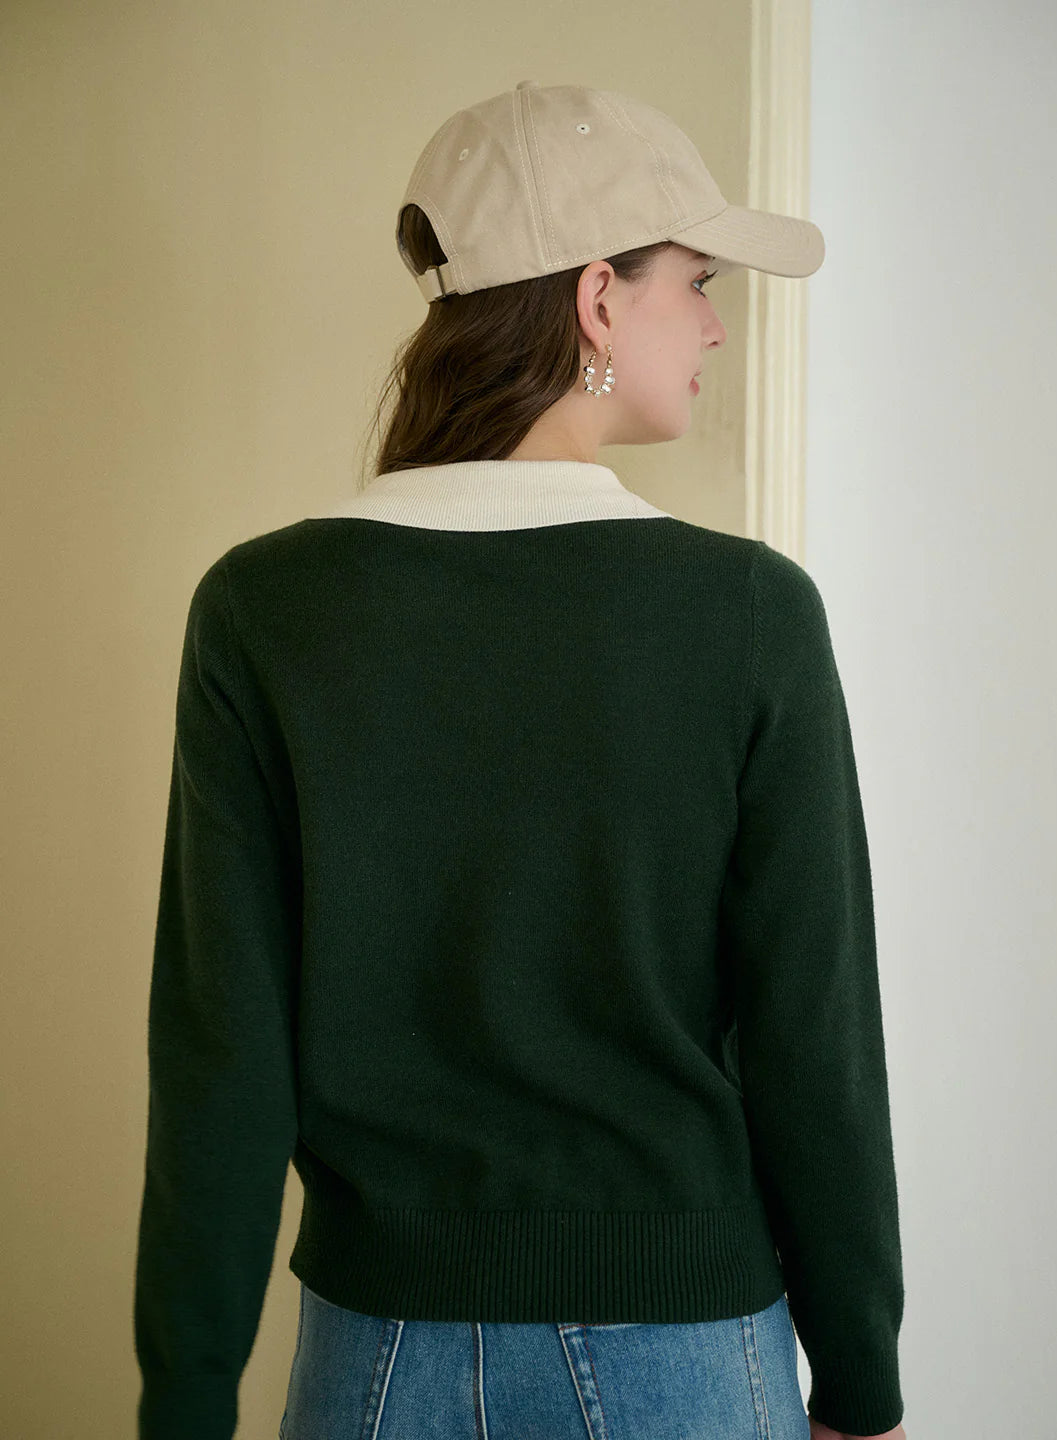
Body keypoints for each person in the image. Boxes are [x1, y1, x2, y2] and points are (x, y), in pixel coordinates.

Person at [133, 81, 907, 1440]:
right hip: (686, 1361)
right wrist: (861, 1376)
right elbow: (813, 1039)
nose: (716, 323)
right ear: (600, 299)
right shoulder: (748, 613)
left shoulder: (263, 609)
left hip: (377, 1364)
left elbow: (222, 1056)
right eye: (698, 281)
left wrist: (187, 1405)